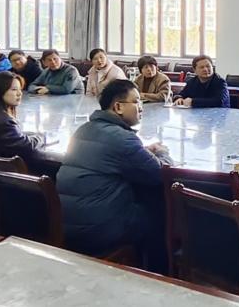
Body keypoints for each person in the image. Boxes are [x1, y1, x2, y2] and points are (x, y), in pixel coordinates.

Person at [57, 80, 171, 273]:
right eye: (136, 101)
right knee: (160, 212)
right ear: (118, 107)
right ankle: (158, 274)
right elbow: (160, 174)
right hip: (99, 229)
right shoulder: (122, 138)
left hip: (68, 224)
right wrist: (162, 153)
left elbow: (110, 153)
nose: (141, 107)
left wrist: (142, 151)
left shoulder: (84, 129)